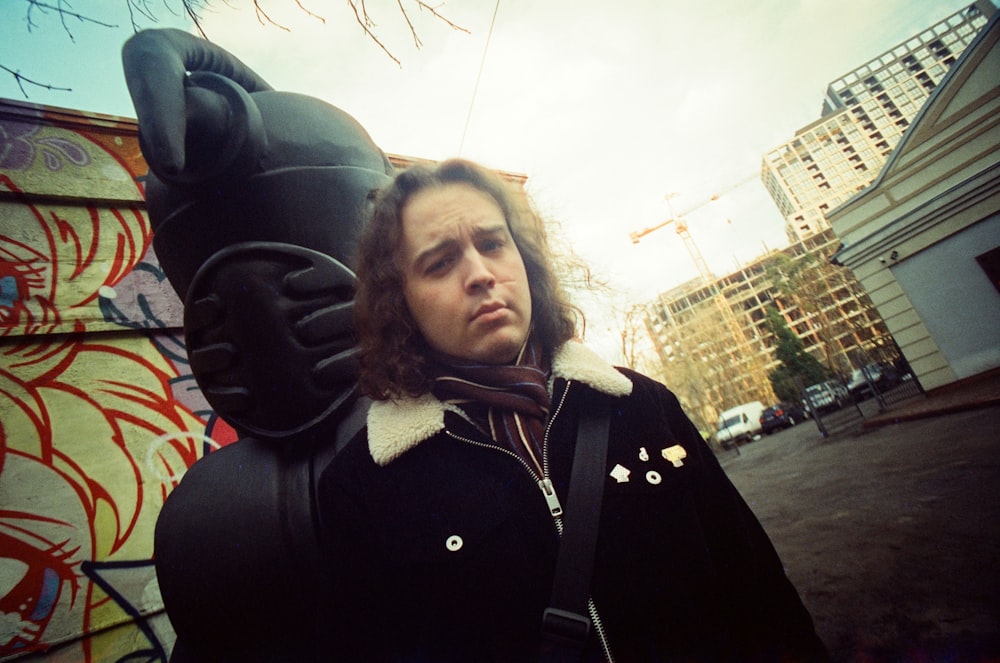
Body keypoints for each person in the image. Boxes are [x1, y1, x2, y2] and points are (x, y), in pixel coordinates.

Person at [317, 158, 829, 662]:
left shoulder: (643, 405)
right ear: (398, 301)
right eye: (440, 262)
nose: (479, 274)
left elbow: (761, 593)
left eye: (493, 244)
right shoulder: (363, 488)